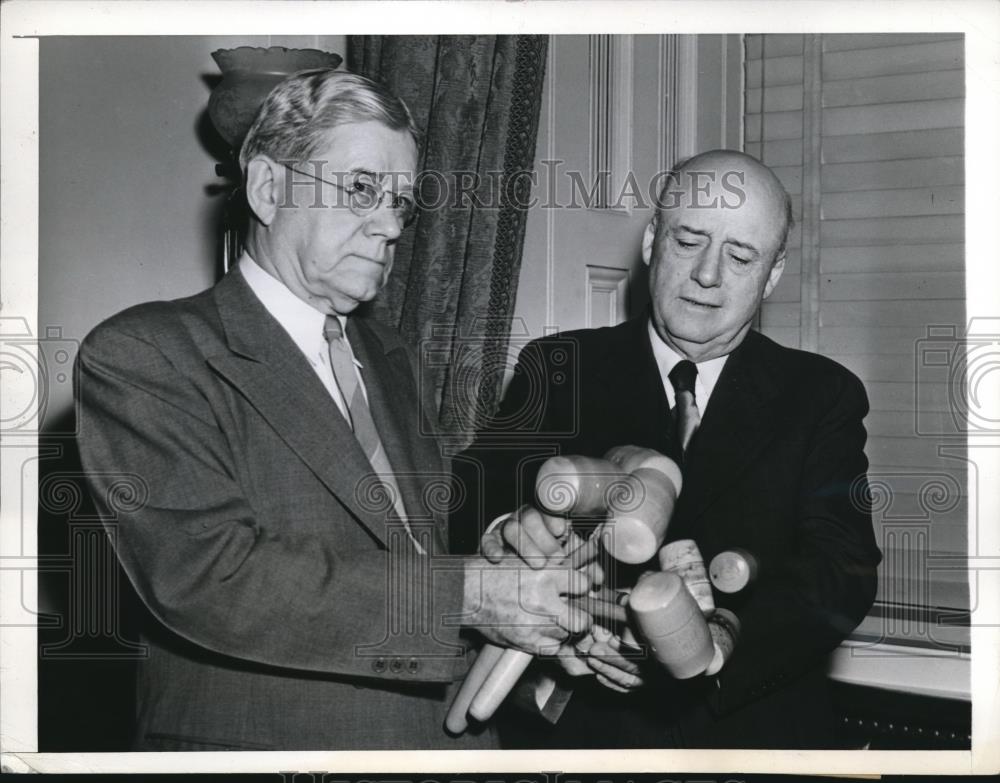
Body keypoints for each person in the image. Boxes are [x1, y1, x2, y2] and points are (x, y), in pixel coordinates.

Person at [75, 69, 593, 751]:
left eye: (402, 202)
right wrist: (470, 593)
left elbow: (410, 552)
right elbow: (209, 577)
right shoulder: (147, 353)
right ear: (267, 188)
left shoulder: (389, 356)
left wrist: (516, 588)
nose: (388, 226)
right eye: (360, 189)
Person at [453, 149, 882, 748]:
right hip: (586, 737)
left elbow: (843, 571)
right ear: (653, 240)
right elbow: (471, 496)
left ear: (774, 274)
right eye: (689, 242)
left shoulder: (822, 395)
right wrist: (506, 532)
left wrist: (726, 638)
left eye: (740, 256)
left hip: (751, 737)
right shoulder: (559, 367)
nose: (709, 275)